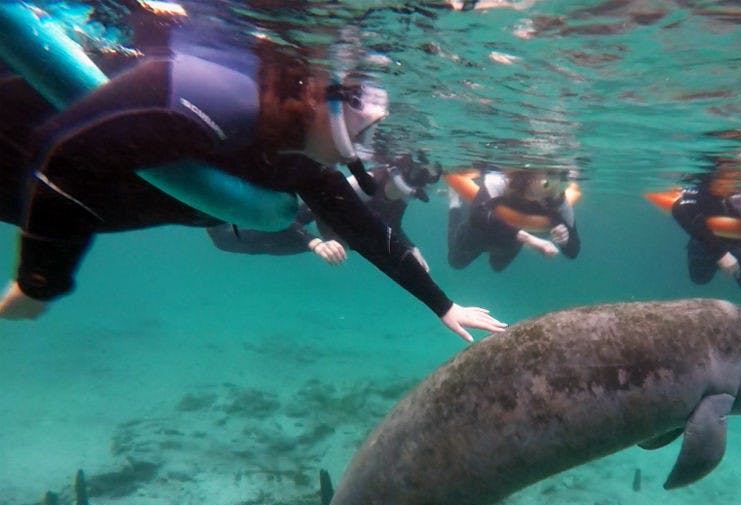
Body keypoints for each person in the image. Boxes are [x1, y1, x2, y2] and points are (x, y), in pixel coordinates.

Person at [0, 9, 504, 342]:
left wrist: (444, 306)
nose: (370, 147)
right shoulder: (224, 97)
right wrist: (40, 280)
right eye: (366, 127)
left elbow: (366, 231)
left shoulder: (297, 160)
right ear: (324, 96)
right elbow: (67, 155)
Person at [207, 152, 441, 272]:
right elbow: (289, 218)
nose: (400, 196)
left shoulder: (402, 197)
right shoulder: (360, 185)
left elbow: (394, 225)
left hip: (317, 239)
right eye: (399, 189)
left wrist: (411, 248)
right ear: (391, 175)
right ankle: (207, 198)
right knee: (227, 240)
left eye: (408, 193)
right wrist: (315, 243)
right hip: (295, 226)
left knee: (262, 248)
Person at [447, 168, 581, 272]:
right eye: (549, 179)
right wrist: (530, 240)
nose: (555, 188)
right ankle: (455, 203)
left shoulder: (558, 200)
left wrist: (564, 241)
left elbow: (573, 251)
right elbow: (478, 216)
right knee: (456, 261)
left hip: (511, 236)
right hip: (483, 226)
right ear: (529, 176)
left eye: (562, 177)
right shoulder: (499, 180)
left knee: (498, 267)